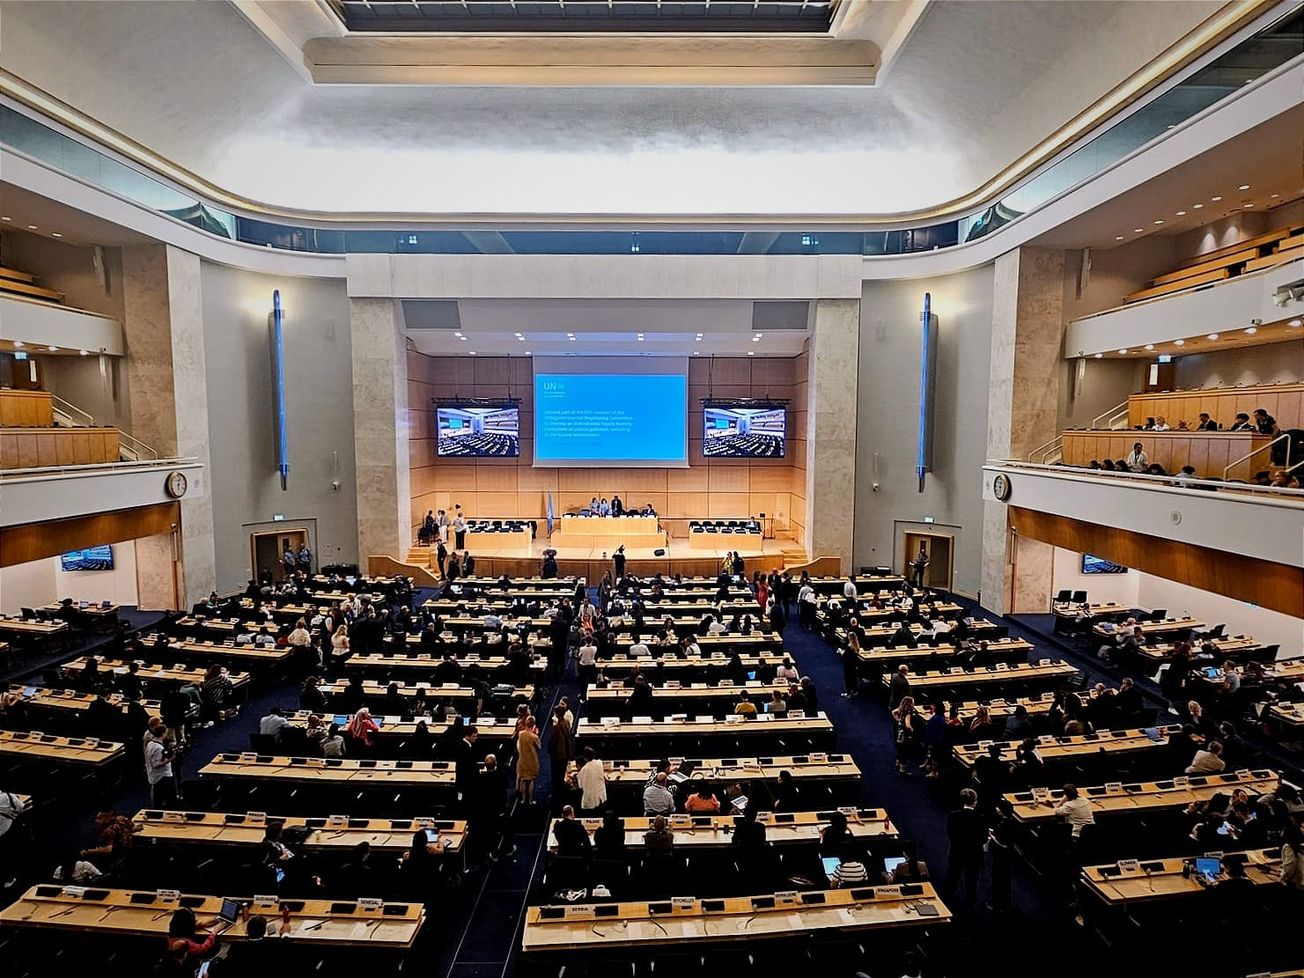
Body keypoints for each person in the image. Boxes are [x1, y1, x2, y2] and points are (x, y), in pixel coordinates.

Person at [946, 788, 985, 913]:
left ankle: (948, 902)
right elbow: (984, 838)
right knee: (971, 882)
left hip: (957, 853)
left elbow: (950, 834)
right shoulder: (980, 818)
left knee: (953, 878)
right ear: (975, 802)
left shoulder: (953, 816)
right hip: (974, 855)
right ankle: (970, 906)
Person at [145, 724, 177, 806]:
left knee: (157, 799)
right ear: (162, 734)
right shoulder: (158, 748)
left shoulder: (150, 744)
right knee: (170, 800)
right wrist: (171, 758)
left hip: (155, 776)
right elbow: (156, 764)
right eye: (166, 732)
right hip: (162, 777)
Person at [516, 715, 541, 805]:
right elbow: (539, 747)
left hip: (522, 760)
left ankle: (523, 800)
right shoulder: (534, 737)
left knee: (523, 780)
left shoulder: (520, 734)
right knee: (531, 780)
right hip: (532, 761)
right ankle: (530, 800)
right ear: (533, 725)